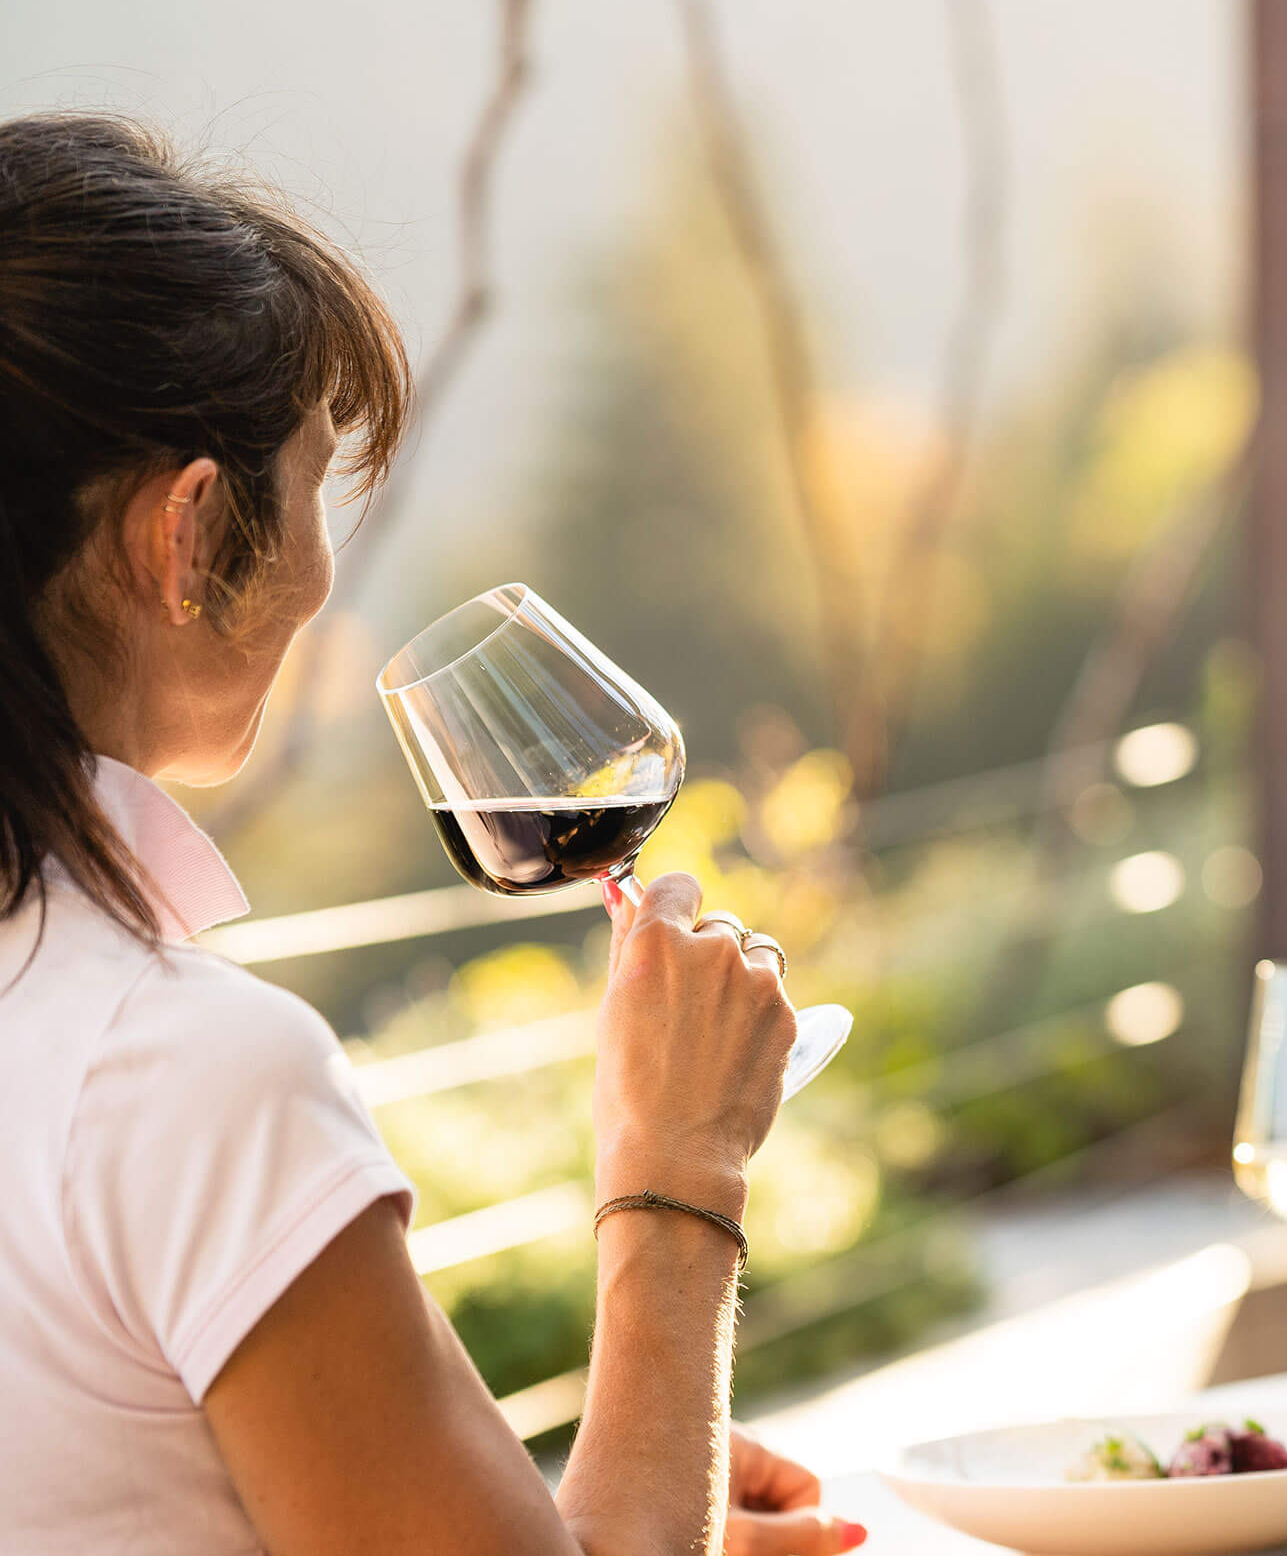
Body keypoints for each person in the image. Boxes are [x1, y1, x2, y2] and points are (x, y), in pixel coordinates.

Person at [0, 113, 864, 1553]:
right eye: (314, 480)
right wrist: (680, 1170)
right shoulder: (186, 1074)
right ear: (185, 532)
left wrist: (654, 1503)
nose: (324, 571)